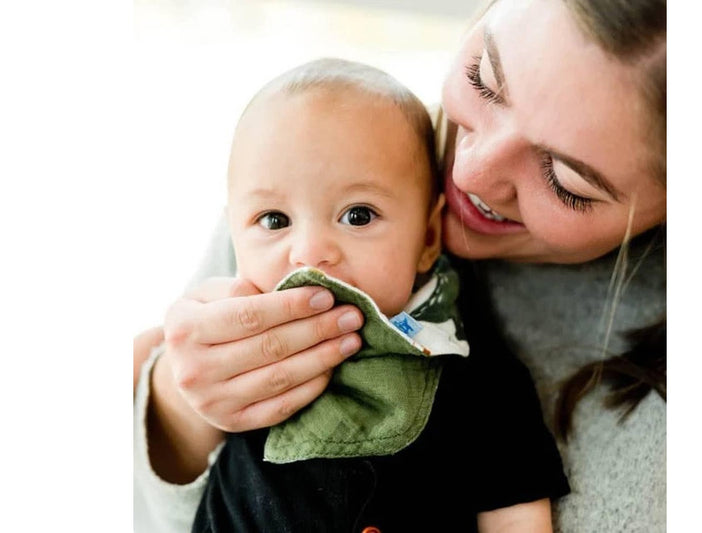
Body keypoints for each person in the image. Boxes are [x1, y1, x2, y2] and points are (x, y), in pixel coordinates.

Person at [135, 0, 666, 531]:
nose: (469, 172)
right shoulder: (308, 153)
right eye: (485, 79)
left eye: (565, 181)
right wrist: (179, 404)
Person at [189, 57, 569, 531]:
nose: (308, 254)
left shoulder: (476, 376)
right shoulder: (231, 345)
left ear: (428, 238)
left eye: (359, 215)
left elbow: (516, 509)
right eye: (273, 220)